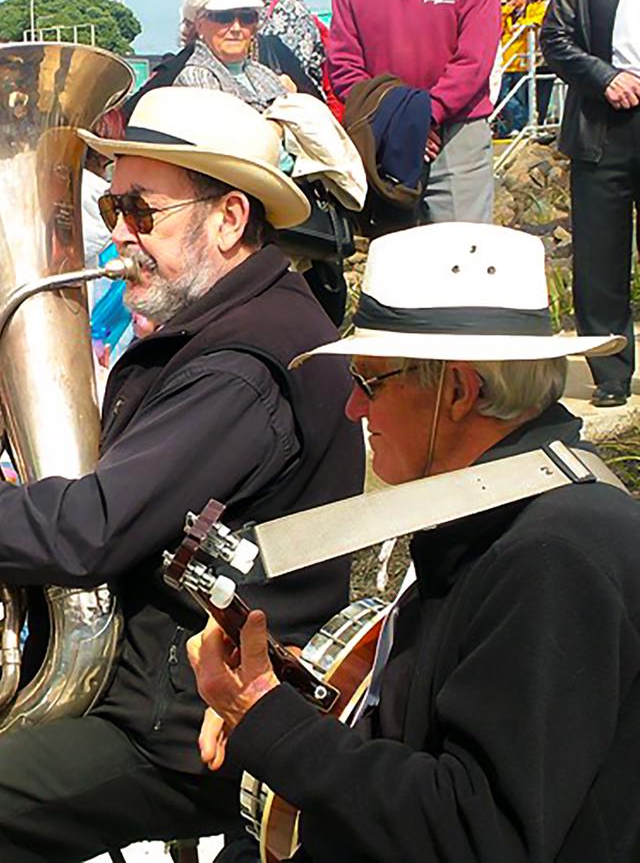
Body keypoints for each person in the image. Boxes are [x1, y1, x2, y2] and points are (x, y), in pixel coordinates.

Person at [0, 85, 365, 862]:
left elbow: (93, 527)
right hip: (137, 677)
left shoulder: (241, 365)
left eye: (142, 213)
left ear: (229, 218)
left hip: (183, 722)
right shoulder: (220, 328)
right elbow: (142, 468)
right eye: (112, 211)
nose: (116, 240)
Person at [187, 221, 639, 862]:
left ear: (458, 391)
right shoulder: (499, 509)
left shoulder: (555, 555)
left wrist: (271, 723)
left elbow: (476, 835)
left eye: (369, 381)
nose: (352, 409)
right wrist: (286, 695)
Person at [327, 0, 500, 223]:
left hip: (457, 136)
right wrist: (400, 122)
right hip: (385, 141)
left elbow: (475, 58)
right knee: (396, 255)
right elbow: (343, 66)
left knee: (462, 253)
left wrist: (421, 118)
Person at [541, 0, 640, 407]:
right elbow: (555, 39)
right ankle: (611, 372)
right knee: (600, 258)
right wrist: (604, 78)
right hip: (601, 124)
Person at [188, 0, 326, 96]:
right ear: (200, 25)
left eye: (247, 17)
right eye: (224, 17)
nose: (236, 28)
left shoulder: (265, 75)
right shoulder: (196, 78)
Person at [496, 0, 547, 137]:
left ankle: (519, 126)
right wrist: (507, 7)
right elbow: (497, 23)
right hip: (508, 61)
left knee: (521, 96)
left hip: (522, 61)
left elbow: (538, 19)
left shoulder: (534, 7)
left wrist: (523, 24)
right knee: (502, 95)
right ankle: (520, 122)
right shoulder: (508, 12)